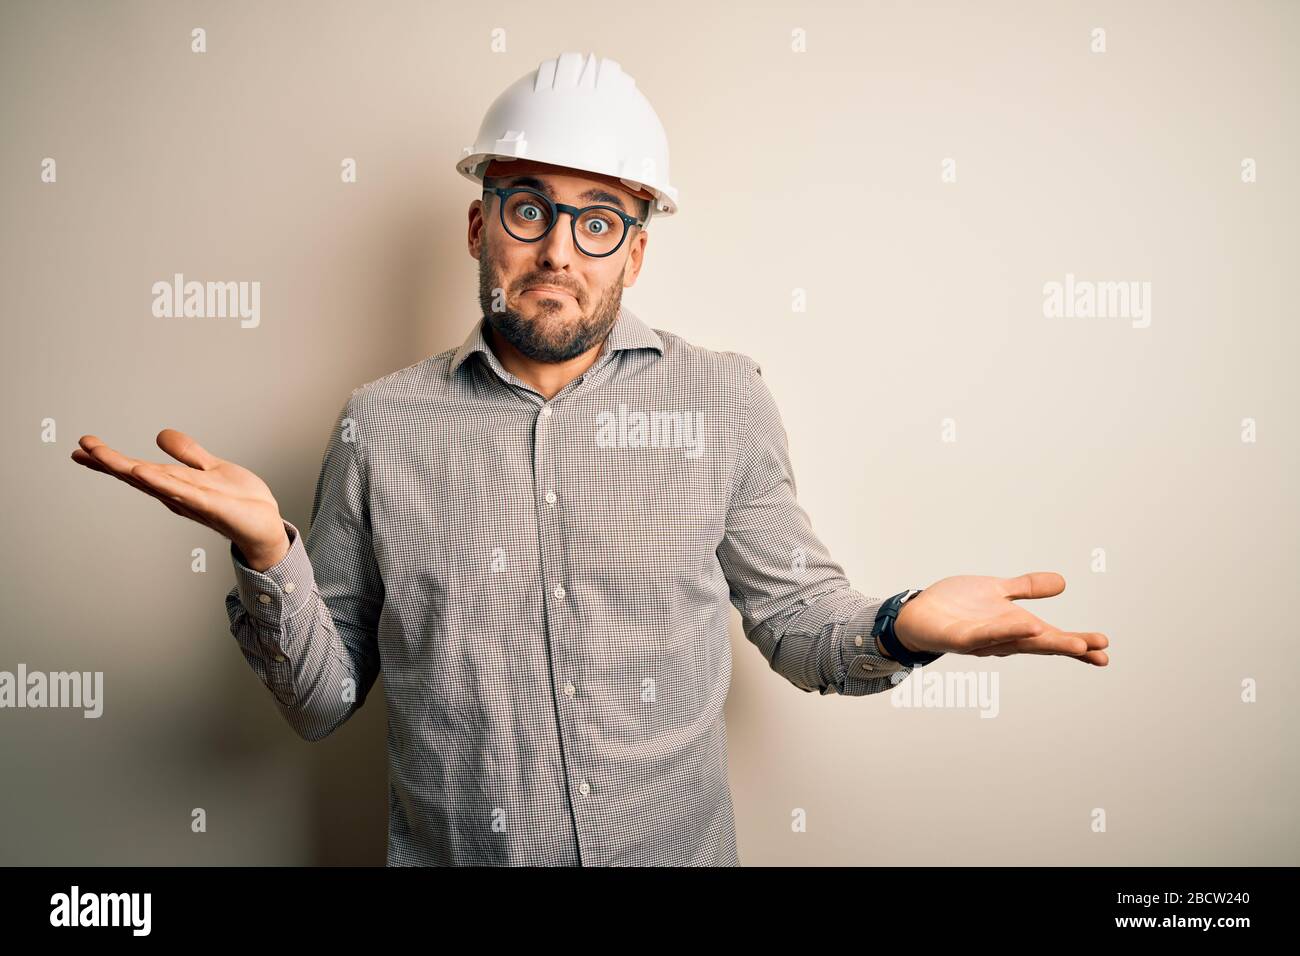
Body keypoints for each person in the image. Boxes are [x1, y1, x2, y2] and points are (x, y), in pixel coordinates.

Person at [70, 51, 1108, 866]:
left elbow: (800, 629)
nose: (559, 249)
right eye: (530, 207)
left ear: (637, 248)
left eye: (599, 219)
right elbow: (320, 700)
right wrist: (268, 556)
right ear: (480, 224)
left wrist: (900, 622)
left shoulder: (723, 399)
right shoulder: (377, 427)